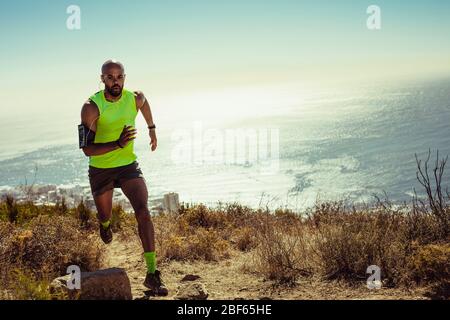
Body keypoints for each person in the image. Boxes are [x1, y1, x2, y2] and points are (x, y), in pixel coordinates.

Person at [79, 59, 168, 296]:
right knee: (104, 214)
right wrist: (117, 143)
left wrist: (151, 128)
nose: (115, 81)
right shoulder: (91, 107)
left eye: (119, 77)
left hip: (128, 165)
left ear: (124, 78)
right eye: (110, 77)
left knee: (143, 210)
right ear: (102, 79)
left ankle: (152, 273)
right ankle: (105, 225)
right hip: (101, 169)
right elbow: (87, 149)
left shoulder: (134, 97)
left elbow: (144, 103)